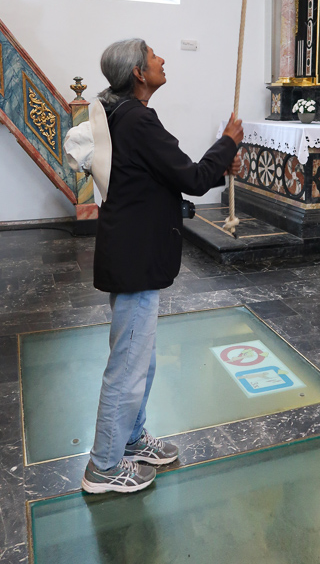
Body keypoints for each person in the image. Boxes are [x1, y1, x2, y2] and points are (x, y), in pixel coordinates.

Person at [81, 38, 243, 494]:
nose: (162, 60)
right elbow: (189, 177)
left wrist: (221, 159)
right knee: (128, 364)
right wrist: (227, 143)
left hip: (135, 253)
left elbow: (164, 178)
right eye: (154, 55)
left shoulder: (124, 116)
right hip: (135, 257)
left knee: (140, 359)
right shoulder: (136, 118)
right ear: (137, 71)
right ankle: (104, 467)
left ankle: (130, 439)